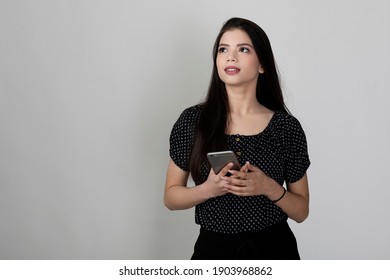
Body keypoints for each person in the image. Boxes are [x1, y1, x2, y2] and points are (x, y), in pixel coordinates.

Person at [164, 17, 310, 260]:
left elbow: (301, 211)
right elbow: (170, 197)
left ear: (262, 64)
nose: (231, 57)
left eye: (243, 49)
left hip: (275, 251)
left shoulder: (286, 127)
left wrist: (269, 187)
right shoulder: (193, 121)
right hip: (213, 252)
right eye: (223, 50)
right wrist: (208, 190)